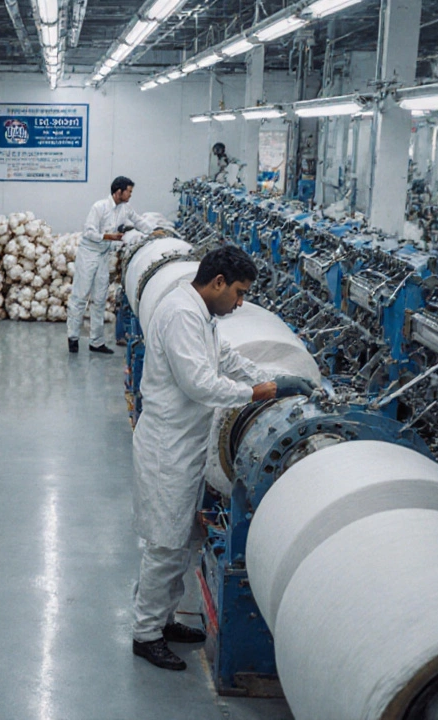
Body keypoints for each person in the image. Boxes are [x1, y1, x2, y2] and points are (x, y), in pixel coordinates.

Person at [129, 245, 317, 671]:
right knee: (165, 542)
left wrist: (271, 377)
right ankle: (145, 633)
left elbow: (225, 360)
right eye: (238, 292)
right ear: (217, 283)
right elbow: (199, 383)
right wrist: (259, 393)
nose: (241, 302)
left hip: (187, 442)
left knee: (181, 540)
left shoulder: (203, 314)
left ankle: (164, 618)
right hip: (167, 447)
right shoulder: (180, 314)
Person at [68, 176, 155, 355]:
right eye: (128, 191)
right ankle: (73, 337)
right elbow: (89, 231)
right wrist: (109, 237)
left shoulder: (125, 209)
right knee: (80, 296)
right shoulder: (99, 207)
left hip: (103, 256)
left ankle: (96, 342)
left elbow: (138, 221)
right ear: (118, 192)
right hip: (89, 254)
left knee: (99, 299)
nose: (130, 195)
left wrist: (154, 232)